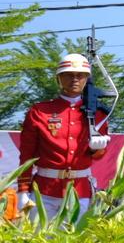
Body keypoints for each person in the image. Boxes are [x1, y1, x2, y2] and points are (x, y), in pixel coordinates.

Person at [19, 53, 110, 217]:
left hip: (79, 191)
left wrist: (97, 149)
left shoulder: (98, 113)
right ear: (58, 79)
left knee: (75, 241)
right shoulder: (39, 111)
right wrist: (23, 190)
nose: (74, 79)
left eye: (80, 75)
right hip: (44, 192)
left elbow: (98, 155)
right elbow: (26, 155)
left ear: (86, 80)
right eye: (68, 75)